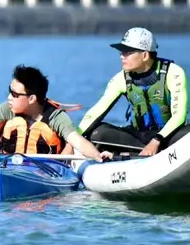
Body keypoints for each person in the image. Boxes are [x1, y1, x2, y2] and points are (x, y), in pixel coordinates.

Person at [0, 65, 110, 161]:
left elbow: (77, 140)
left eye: (15, 94)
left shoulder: (56, 117)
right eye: (10, 91)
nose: (9, 97)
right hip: (7, 165)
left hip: (44, 170)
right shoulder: (6, 109)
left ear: (32, 98)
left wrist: (97, 155)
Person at [78, 28, 189, 157]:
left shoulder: (174, 72)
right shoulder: (121, 79)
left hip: (170, 137)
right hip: (138, 138)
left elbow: (179, 115)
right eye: (121, 52)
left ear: (145, 55)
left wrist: (156, 141)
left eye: (127, 52)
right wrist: (72, 141)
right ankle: (133, 153)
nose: (121, 56)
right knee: (98, 132)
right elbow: (97, 112)